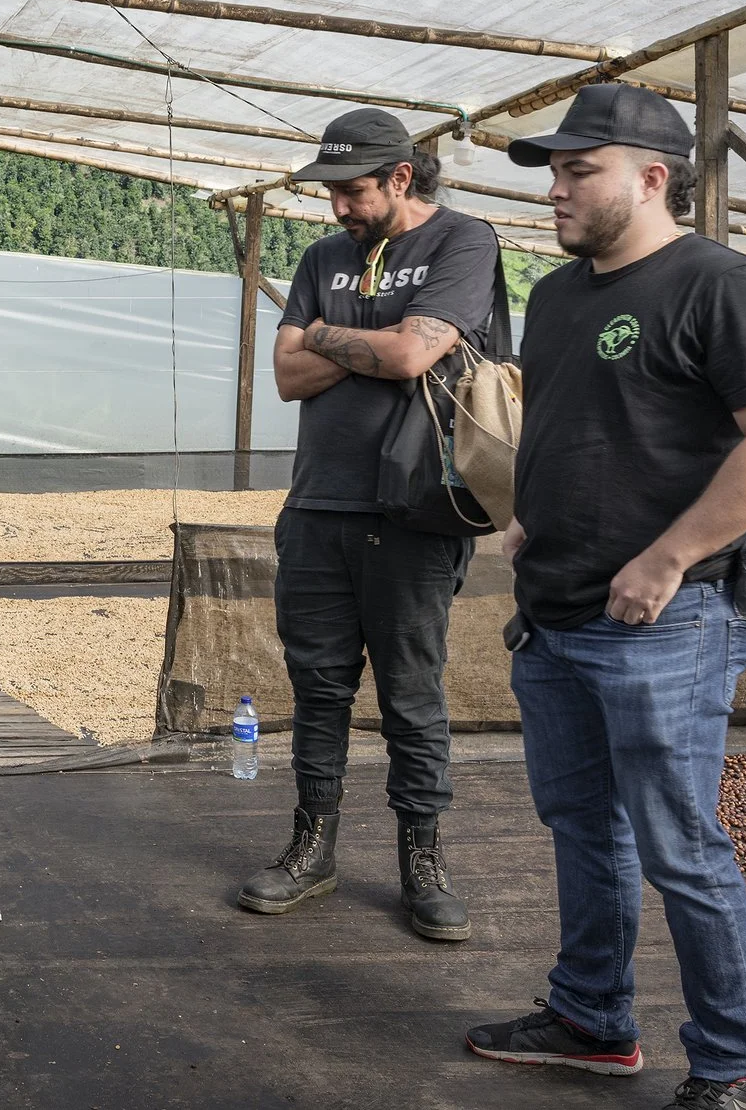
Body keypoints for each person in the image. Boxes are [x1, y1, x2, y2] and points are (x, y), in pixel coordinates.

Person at [464, 84, 746, 1110]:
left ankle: (734, 1065)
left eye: (580, 171)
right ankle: (591, 1016)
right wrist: (529, 513)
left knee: (681, 847)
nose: (557, 190)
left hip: (666, 619)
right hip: (556, 612)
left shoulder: (721, 284)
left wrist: (669, 557)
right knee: (583, 824)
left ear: (652, 177)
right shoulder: (558, 296)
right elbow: (582, 425)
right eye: (554, 172)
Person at [240, 107, 503, 942]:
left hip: (417, 507)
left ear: (400, 176)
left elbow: (411, 356)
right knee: (318, 686)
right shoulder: (324, 257)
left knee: (411, 693)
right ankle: (311, 846)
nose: (339, 209)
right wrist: (370, 342)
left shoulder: (464, 241)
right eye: (330, 194)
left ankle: (422, 858)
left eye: (352, 191)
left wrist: (325, 336)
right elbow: (287, 376)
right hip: (318, 503)